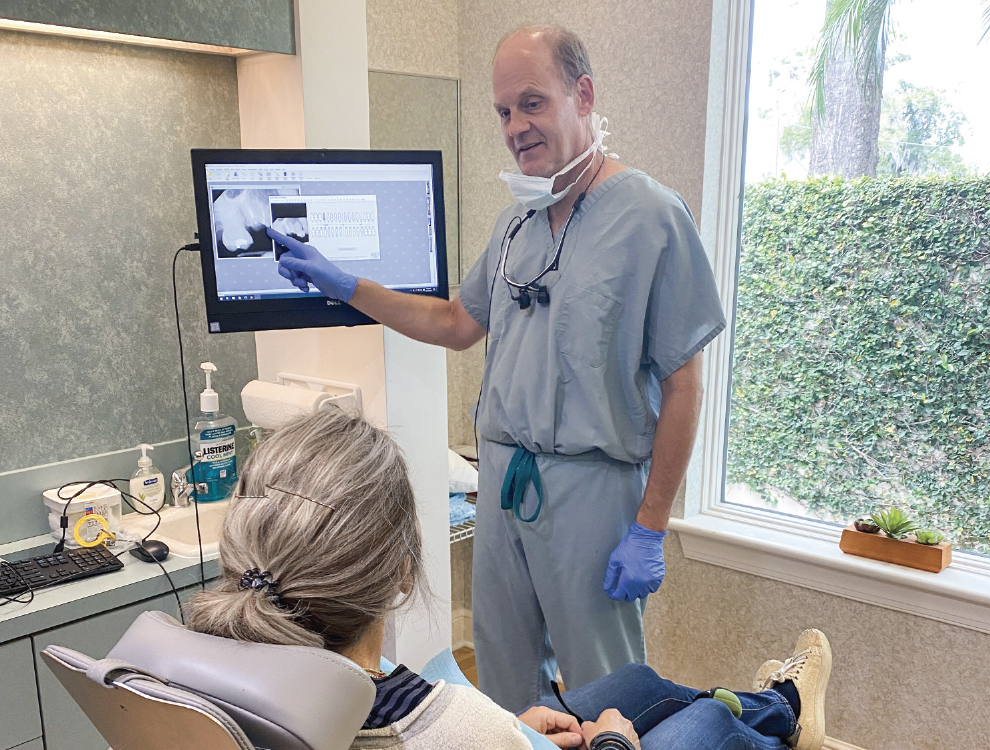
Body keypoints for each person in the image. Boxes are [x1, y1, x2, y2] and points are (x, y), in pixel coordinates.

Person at [267, 25, 727, 711]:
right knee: (508, 683)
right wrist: (349, 287)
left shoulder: (652, 218)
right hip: (505, 485)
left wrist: (650, 525)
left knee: (605, 692)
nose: (516, 126)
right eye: (504, 111)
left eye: (533, 104)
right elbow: (457, 323)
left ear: (584, 96)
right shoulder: (518, 224)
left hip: (593, 493)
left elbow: (684, 385)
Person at [186, 410, 833, 750]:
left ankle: (780, 704)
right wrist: (612, 746)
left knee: (637, 682)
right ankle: (777, 713)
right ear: (404, 572)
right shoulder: (459, 726)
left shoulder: (209, 696)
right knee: (701, 731)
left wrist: (508, 730)